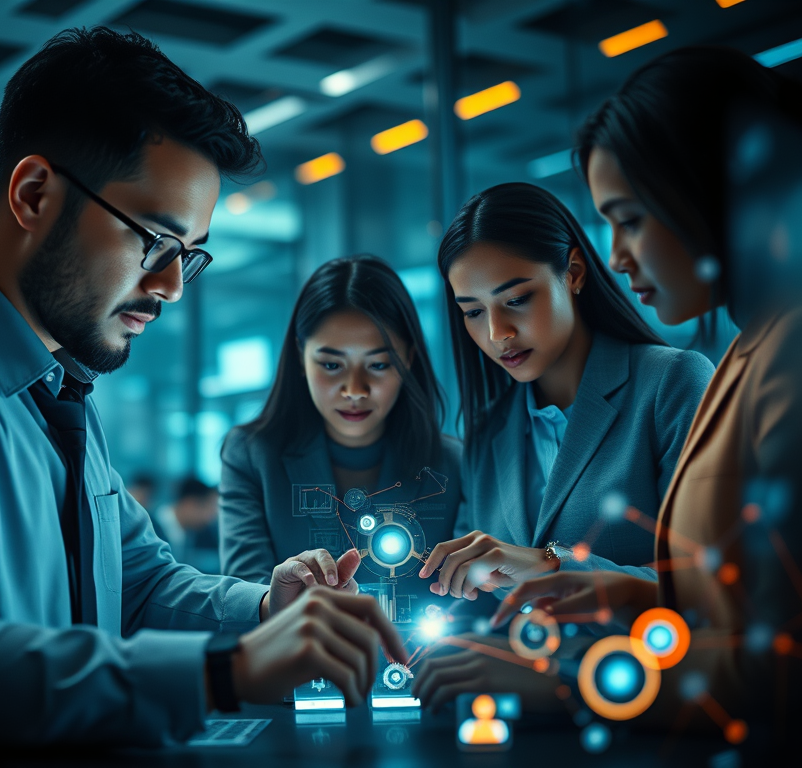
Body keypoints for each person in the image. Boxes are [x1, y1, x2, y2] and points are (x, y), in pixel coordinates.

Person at [0, 28, 406, 765]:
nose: (172, 285)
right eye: (154, 242)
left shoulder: (56, 383)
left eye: (190, 256)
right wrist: (226, 674)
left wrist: (267, 610)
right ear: (35, 194)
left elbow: (134, 584)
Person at [467, 47, 802, 751]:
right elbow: (729, 599)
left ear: (713, 190)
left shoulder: (781, 355)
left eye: (631, 219)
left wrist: (570, 674)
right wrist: (622, 594)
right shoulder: (753, 347)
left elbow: (788, 663)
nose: (619, 256)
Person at [410, 182, 713, 710]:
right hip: (517, 722)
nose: (498, 333)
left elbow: (708, 590)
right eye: (473, 311)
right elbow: (481, 603)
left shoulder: (672, 383)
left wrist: (550, 563)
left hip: (652, 713)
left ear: (572, 273)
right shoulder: (488, 430)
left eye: (517, 299)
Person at [219, 255, 464, 624]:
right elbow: (248, 600)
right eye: (332, 365)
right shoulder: (252, 454)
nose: (354, 390)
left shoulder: (454, 463)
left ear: (409, 359)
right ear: (301, 356)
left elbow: (470, 602)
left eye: (379, 365)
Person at [155, 476, 222, 573]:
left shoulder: (191, 532)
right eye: (209, 509)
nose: (209, 518)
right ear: (189, 503)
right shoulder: (154, 528)